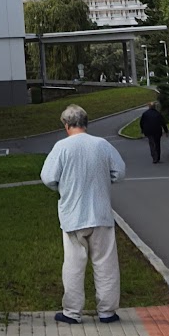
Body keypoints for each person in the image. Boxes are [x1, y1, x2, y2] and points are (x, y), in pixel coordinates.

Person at [40, 104, 127, 324]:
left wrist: (62, 187)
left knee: (73, 265)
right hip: (101, 213)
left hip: (73, 216)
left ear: (66, 125)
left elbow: (48, 177)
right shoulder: (102, 145)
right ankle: (107, 312)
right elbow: (120, 172)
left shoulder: (62, 147)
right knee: (106, 264)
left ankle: (72, 312)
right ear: (86, 123)